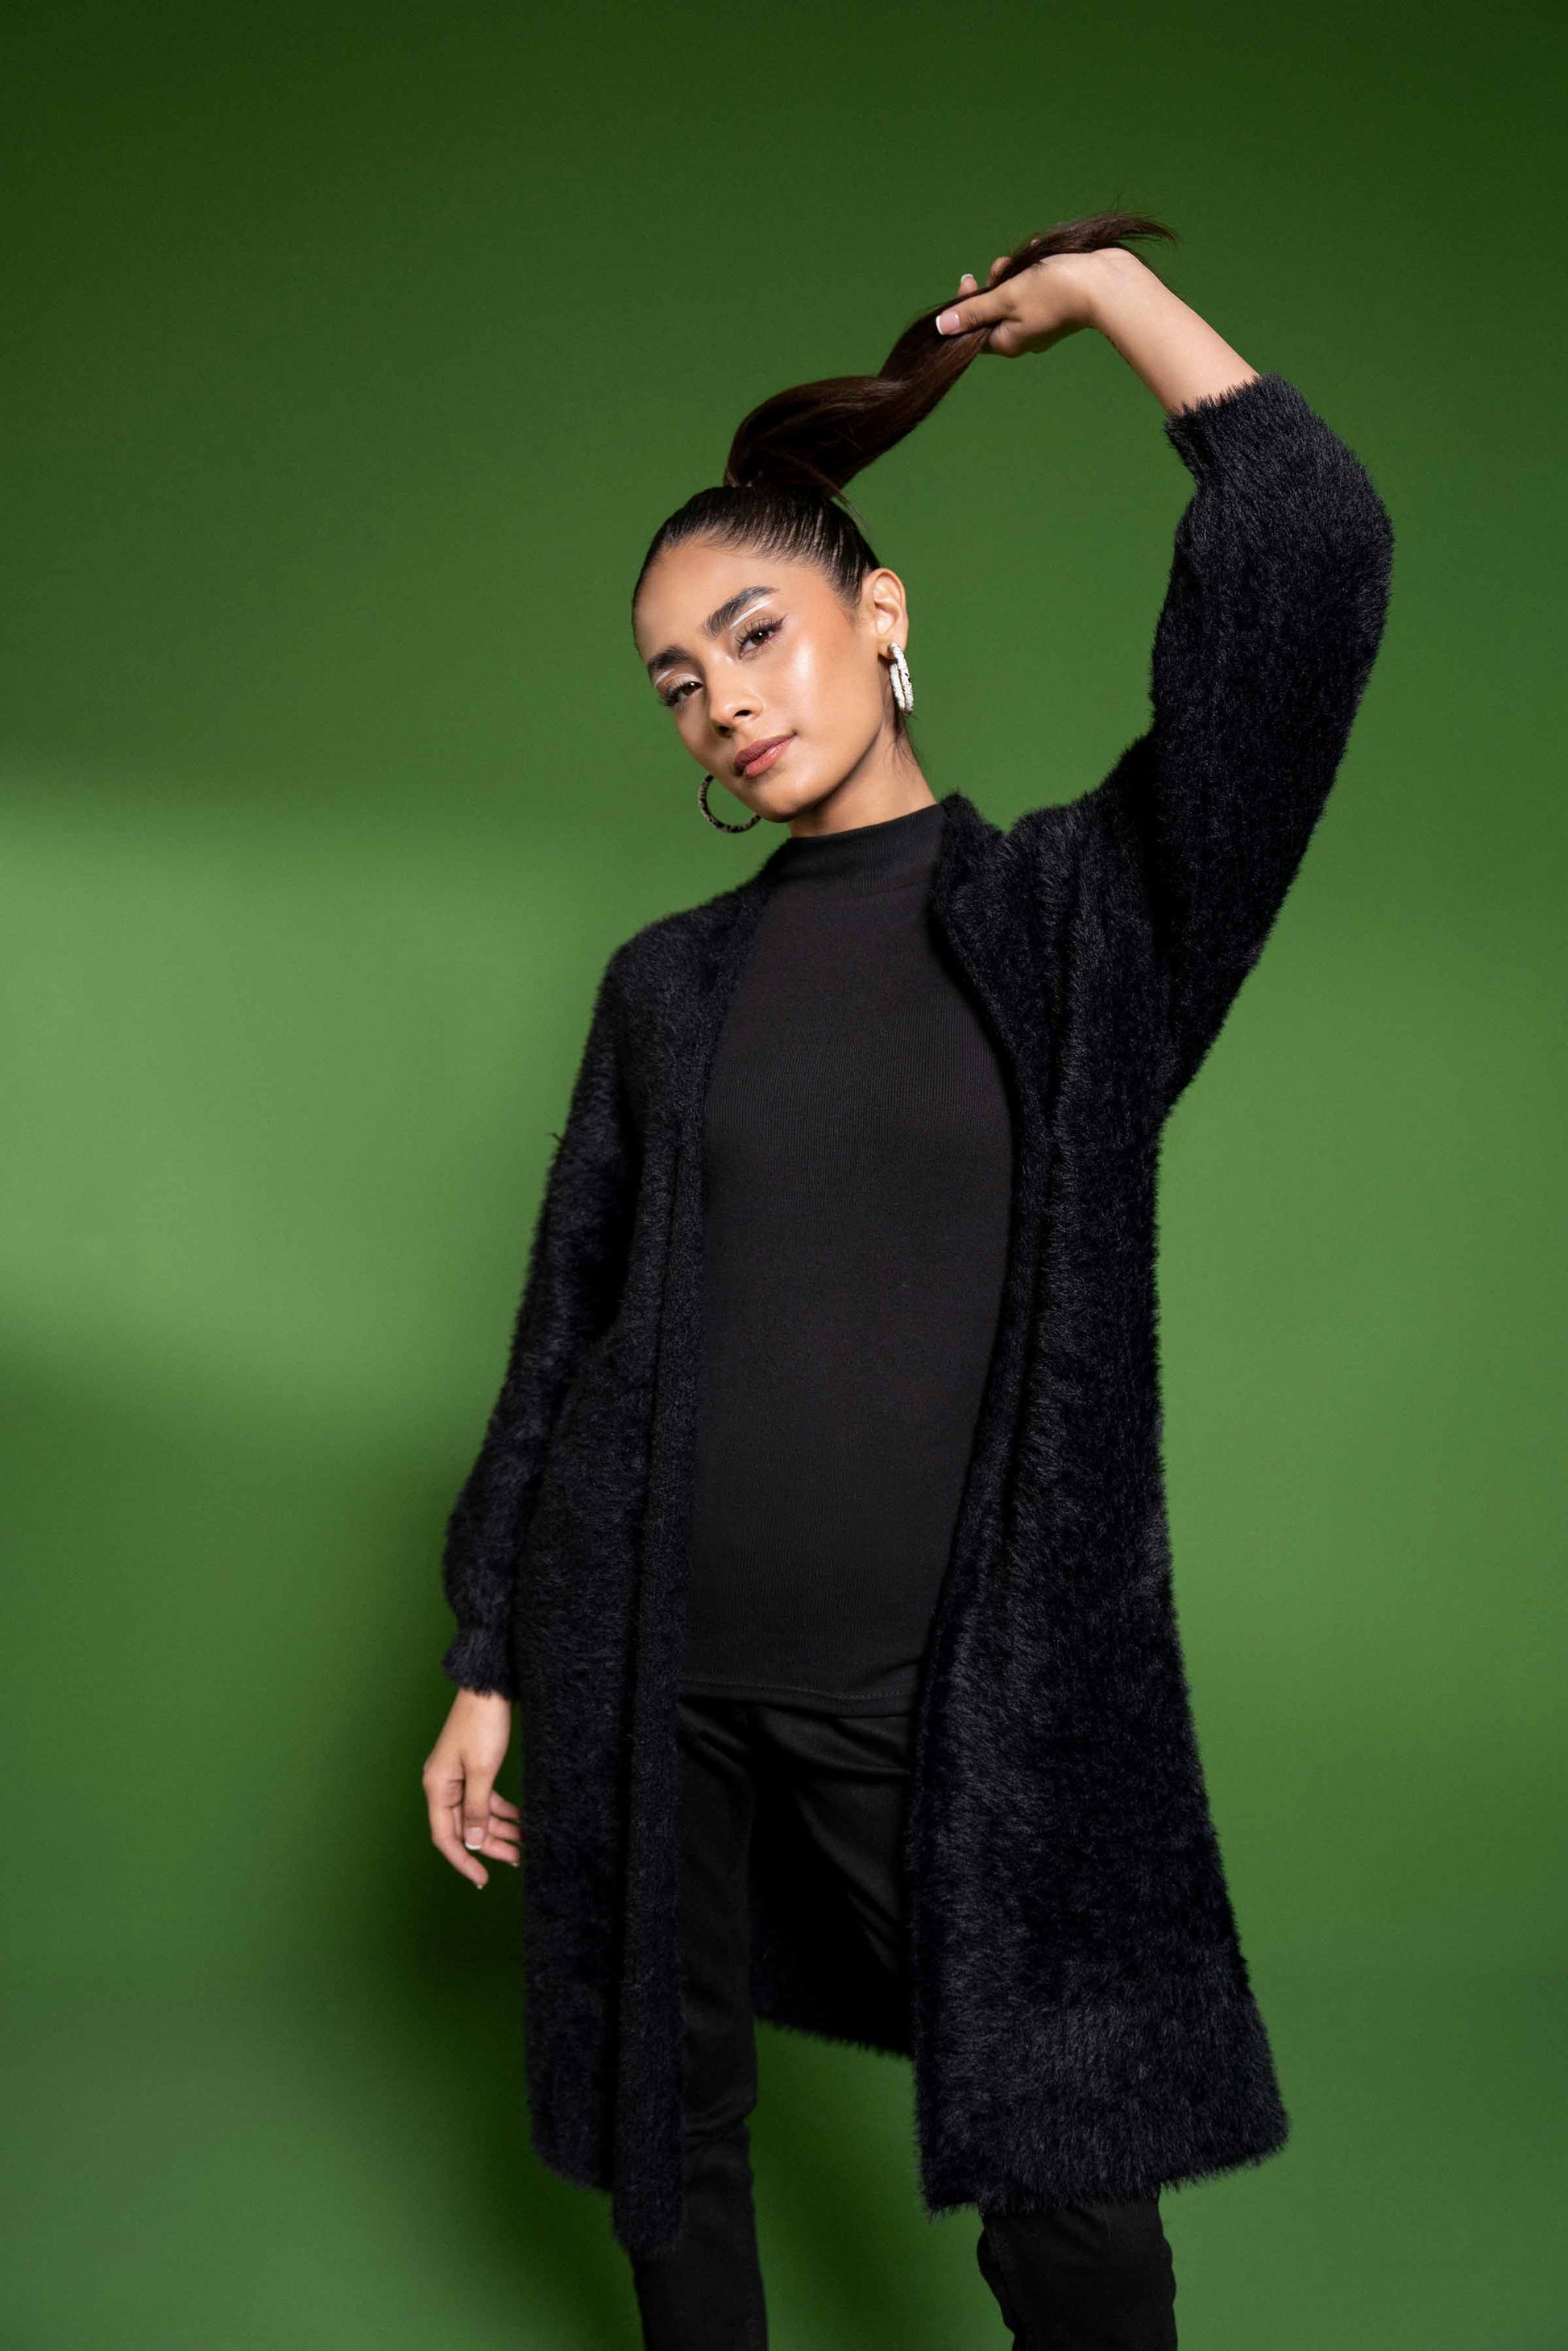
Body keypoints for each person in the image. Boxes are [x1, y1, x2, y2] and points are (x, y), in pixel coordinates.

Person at [421, 211, 1395, 2349]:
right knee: (668, 2148)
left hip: (961, 1697)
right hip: (651, 1662)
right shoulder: (669, 988)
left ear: (881, 616)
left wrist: (1114, 301)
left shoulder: (1076, 926)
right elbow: (571, 1325)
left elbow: (1308, 574)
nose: (722, 703)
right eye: (679, 682)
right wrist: (491, 1650)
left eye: (756, 636)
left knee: (1071, 2210)